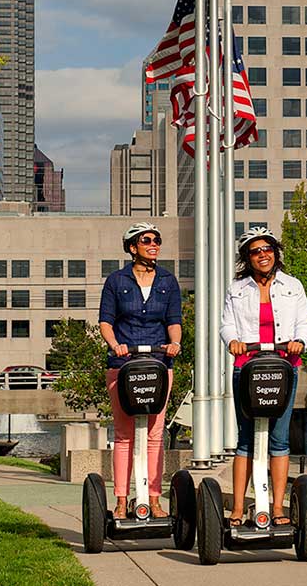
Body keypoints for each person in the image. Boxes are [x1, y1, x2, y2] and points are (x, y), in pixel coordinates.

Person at [220, 227, 307, 527]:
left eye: (268, 249)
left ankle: (277, 508)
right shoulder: (237, 289)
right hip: (247, 367)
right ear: (248, 257)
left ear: (276, 252)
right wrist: (233, 341)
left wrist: (300, 341)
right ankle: (236, 509)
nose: (263, 255)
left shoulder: (293, 285)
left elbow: (304, 323)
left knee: (280, 439)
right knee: (245, 439)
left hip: (284, 366)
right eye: (256, 251)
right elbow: (227, 325)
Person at [98, 222, 182, 520]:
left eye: (157, 239)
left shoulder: (168, 281)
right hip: (122, 364)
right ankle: (121, 501)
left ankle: (154, 500)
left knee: (155, 434)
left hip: (159, 364)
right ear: (133, 247)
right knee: (124, 435)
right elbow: (106, 321)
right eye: (147, 240)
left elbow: (173, 320)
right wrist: (115, 344)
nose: (154, 244)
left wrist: (175, 343)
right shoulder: (116, 280)